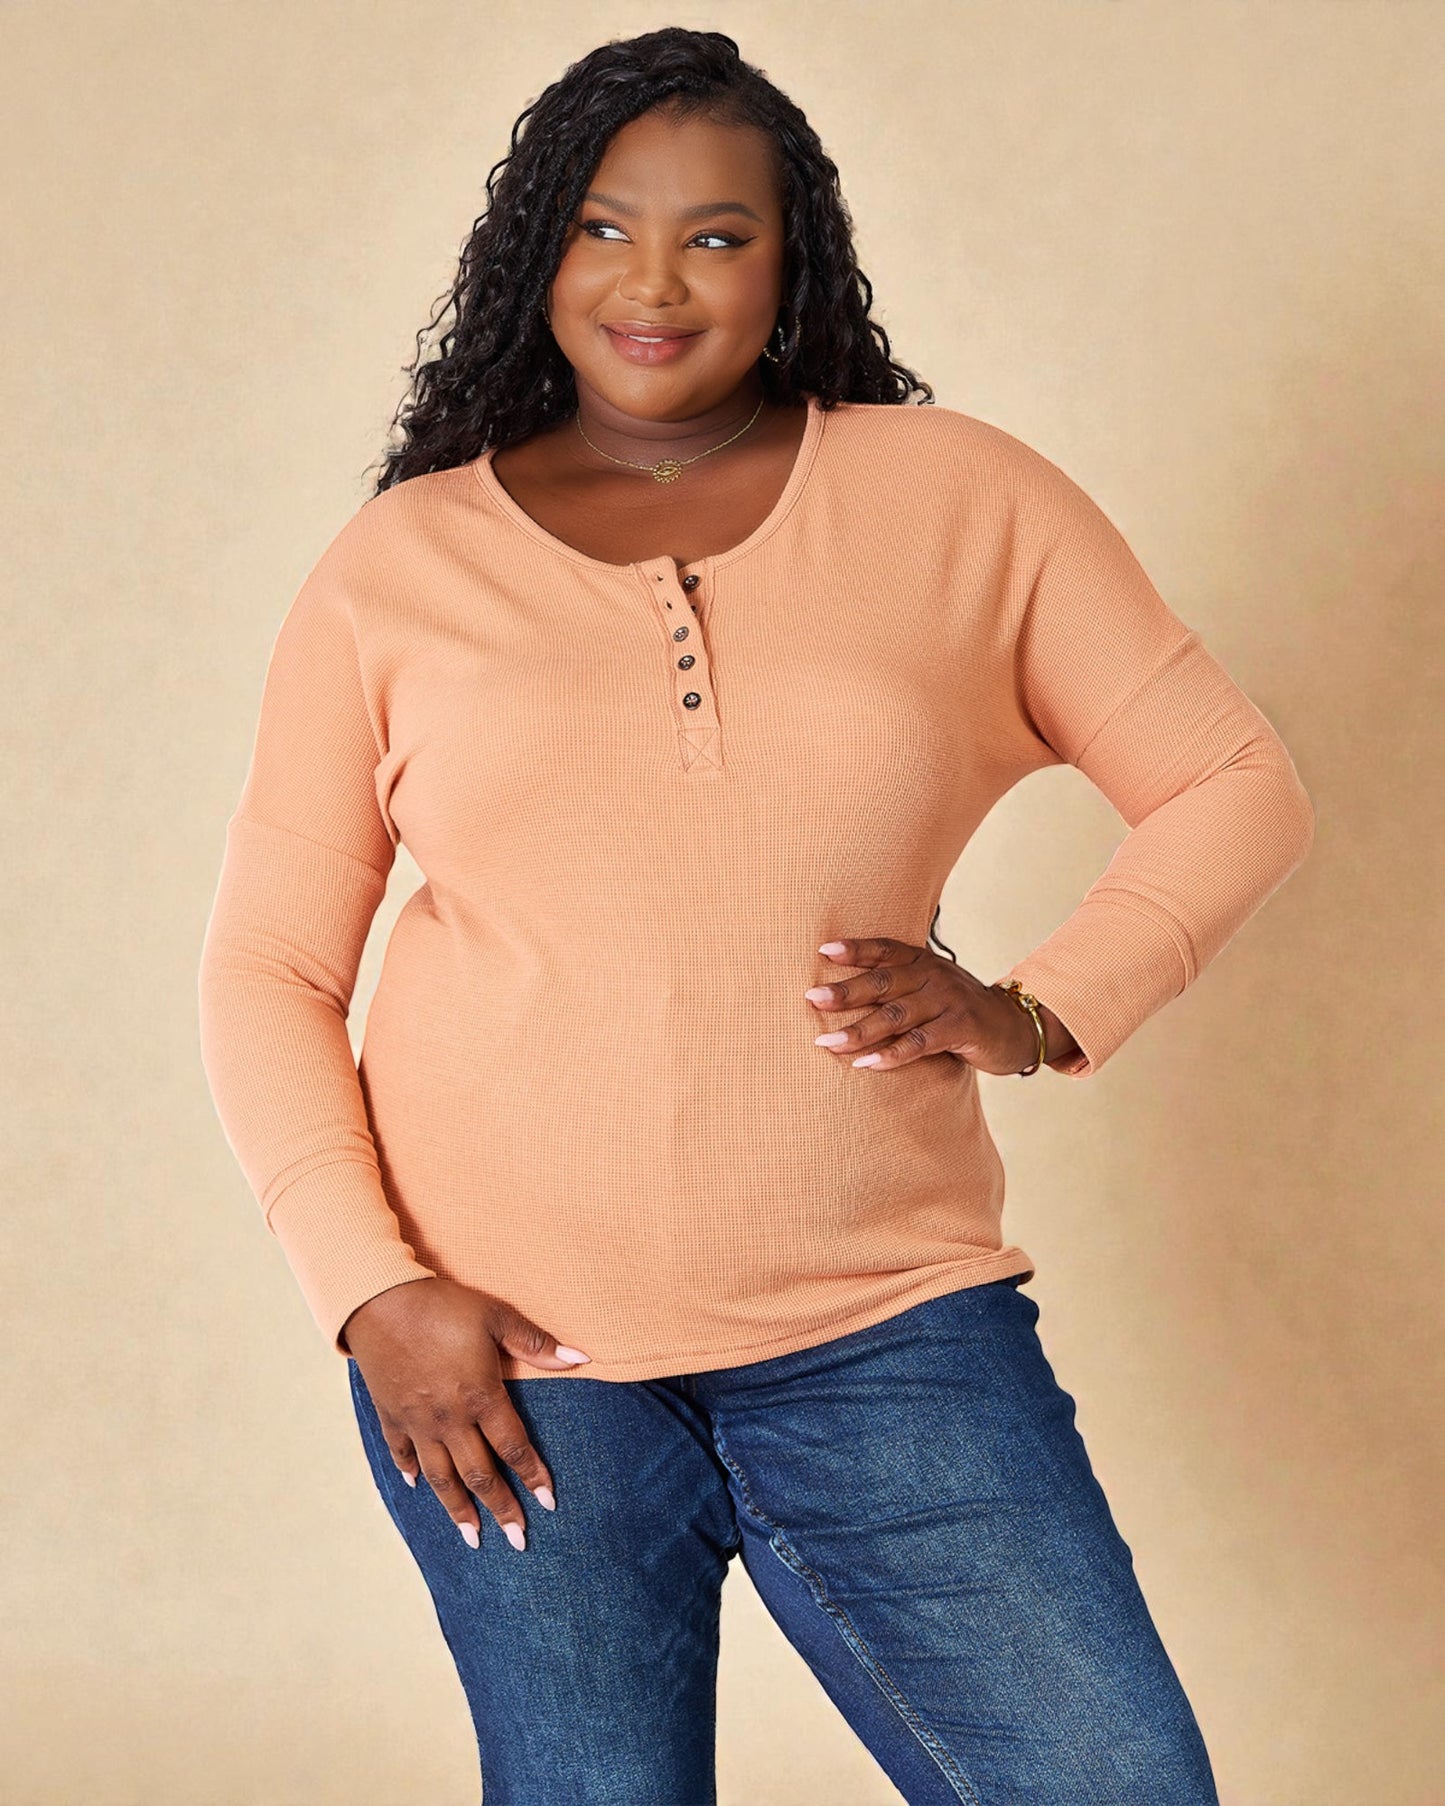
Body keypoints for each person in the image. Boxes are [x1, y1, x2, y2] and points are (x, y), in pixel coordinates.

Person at [197, 26, 1314, 1806]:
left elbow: (1232, 779)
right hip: (509, 1357)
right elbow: (267, 963)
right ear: (534, 253)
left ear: (792, 264)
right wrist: (371, 1290)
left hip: (887, 1328)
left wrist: (1040, 1002)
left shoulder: (964, 500)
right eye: (601, 226)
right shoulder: (397, 565)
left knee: (1113, 1781)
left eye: (718, 235)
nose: (653, 282)